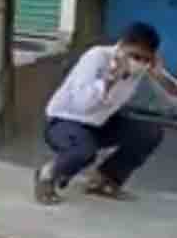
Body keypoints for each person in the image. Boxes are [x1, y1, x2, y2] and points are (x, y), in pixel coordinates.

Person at [35, 22, 173, 203]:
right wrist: (112, 78)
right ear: (122, 47)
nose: (140, 63)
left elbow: (172, 99)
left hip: (100, 124)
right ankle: (47, 174)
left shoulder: (142, 68)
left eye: (146, 59)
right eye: (136, 56)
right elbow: (82, 103)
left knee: (149, 133)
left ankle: (104, 180)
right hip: (64, 122)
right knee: (84, 150)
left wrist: (160, 76)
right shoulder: (97, 57)